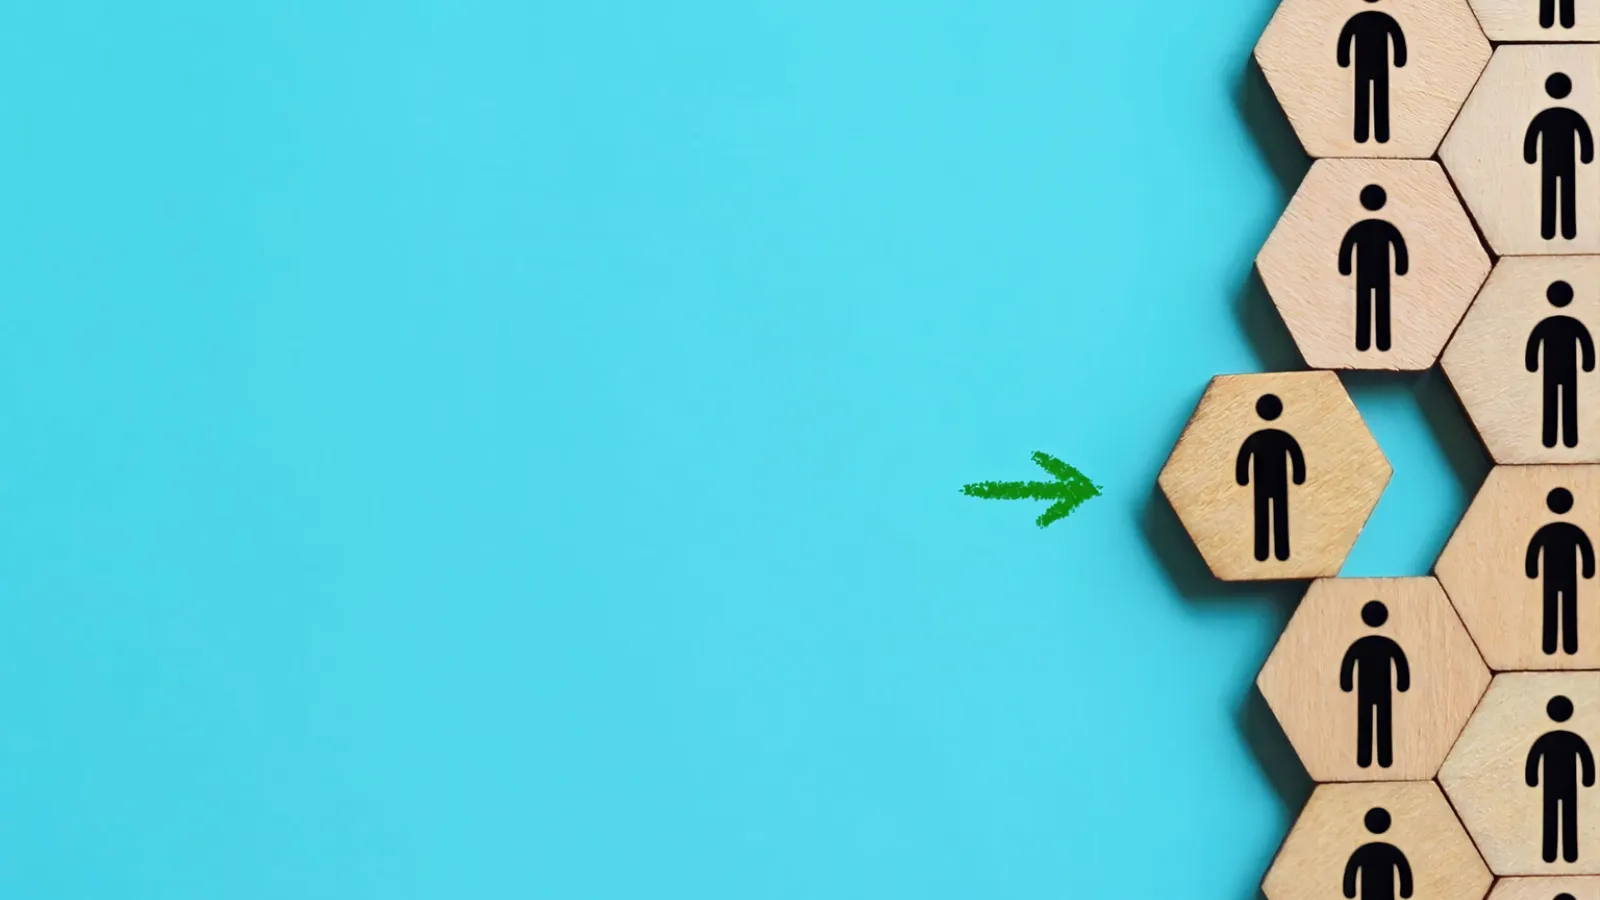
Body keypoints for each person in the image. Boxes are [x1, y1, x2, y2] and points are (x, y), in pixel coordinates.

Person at [1236, 394, 1306, 563]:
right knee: (1277, 514)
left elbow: (1244, 458)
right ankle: (1280, 552)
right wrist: (1298, 476)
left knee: (1264, 515)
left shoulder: (1256, 438)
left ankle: (1263, 552)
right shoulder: (1282, 437)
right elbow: (1296, 457)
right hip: (1276, 483)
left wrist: (1242, 478)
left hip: (1263, 484)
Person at [1340, 601, 1410, 769]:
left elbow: (1348, 664)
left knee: (1367, 721)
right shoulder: (1388, 644)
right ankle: (1383, 759)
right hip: (1382, 690)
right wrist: (1402, 684)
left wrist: (1346, 684)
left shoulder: (1361, 644)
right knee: (1381, 721)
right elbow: (1400, 663)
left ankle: (1366, 759)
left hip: (1367, 690)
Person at [1339, 185, 1408, 352]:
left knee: (1366, 305)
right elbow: (1399, 247)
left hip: (1365, 274)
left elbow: (1347, 248)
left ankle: (1364, 342)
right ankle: (1381, 343)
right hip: (1380, 274)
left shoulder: (1360, 227)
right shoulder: (1386, 228)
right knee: (1378, 305)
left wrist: (1345, 268)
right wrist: (1401, 267)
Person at [1527, 695, 1596, 863]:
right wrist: (1588, 779)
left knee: (1556, 817)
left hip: (1554, 786)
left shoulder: (1547, 739)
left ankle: (1552, 854)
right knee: (1564, 817)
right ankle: (1567, 854)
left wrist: (1532, 779)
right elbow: (1586, 758)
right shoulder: (1573, 739)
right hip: (1566, 786)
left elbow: (1534, 759)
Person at [1526, 73, 1594, 242]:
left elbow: (1532, 136)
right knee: (1562, 193)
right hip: (1562, 163)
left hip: (1552, 162)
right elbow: (1584, 135)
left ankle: (1553, 231)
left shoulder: (1546, 116)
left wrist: (1530, 155)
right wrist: (1586, 155)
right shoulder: (1570, 116)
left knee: (1555, 193)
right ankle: (1564, 231)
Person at [1527, 280, 1595, 449]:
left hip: (1553, 371)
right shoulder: (1573, 324)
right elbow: (1586, 343)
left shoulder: (1546, 324)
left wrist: (1532, 364)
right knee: (1563, 402)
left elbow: (1534, 344)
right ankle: (1567, 439)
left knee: (1554, 402)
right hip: (1566, 371)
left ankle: (1552, 439)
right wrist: (1588, 364)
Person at [1528, 487, 1596, 655]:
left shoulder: (1548, 531)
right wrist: (1588, 570)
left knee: (1555, 609)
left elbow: (1534, 550)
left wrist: (1532, 570)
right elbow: (1586, 550)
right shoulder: (1572, 531)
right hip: (1564, 577)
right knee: (1564, 609)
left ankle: (1552, 646)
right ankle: (1567, 645)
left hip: (1554, 577)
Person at [1338, 1, 1407, 144]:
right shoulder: (1379, 18)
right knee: (1370, 99)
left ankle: (1365, 135)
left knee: (1371, 99)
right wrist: (1399, 60)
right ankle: (1376, 135)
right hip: (1373, 68)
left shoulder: (1361, 19)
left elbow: (1345, 39)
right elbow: (1397, 37)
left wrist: (1344, 60)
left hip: (1369, 67)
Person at [1343, 807, 1412, 900]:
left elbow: (1351, 870)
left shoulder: (1362, 852)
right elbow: (1404, 869)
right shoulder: (1391, 851)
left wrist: (1350, 891)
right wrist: (1405, 891)